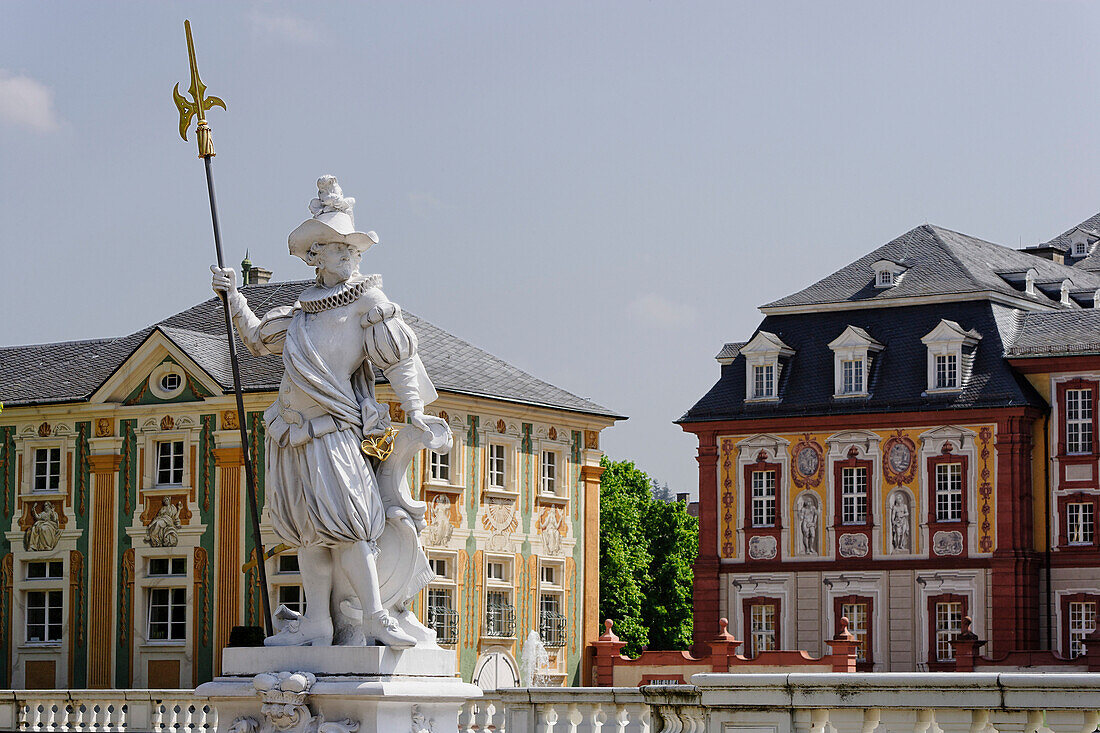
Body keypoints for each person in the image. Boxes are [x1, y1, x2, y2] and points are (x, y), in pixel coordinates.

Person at [211, 176, 444, 648]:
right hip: (288, 433)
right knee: (307, 534)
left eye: (351, 249)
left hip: (333, 431)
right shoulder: (300, 313)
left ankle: (374, 615)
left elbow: (398, 360)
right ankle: (317, 621)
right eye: (337, 248)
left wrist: (415, 410)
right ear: (315, 254)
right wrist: (233, 296)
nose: (348, 256)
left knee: (350, 525)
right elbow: (256, 340)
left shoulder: (370, 304)